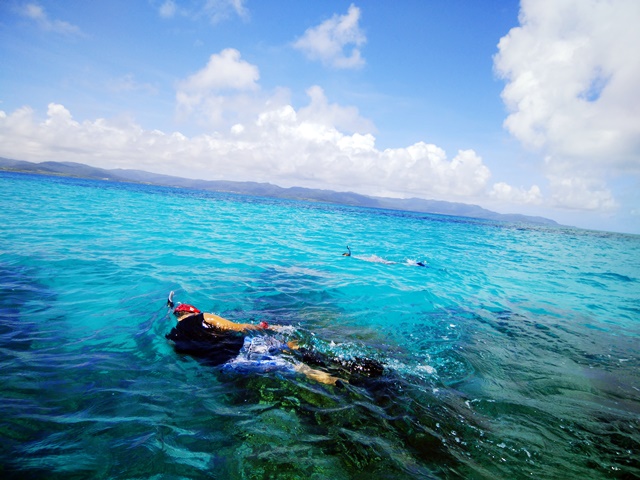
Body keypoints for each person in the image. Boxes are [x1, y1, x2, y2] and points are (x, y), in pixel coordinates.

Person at [165, 299, 347, 385]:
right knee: (287, 345)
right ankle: (327, 360)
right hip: (245, 345)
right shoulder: (204, 317)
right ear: (194, 312)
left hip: (231, 364)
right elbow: (239, 328)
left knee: (291, 368)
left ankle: (336, 382)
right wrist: (266, 327)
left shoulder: (173, 338)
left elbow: (185, 358)